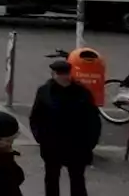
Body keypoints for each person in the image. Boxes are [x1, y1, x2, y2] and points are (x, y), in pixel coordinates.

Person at [29, 59, 100, 196]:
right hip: (52, 143)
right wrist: (40, 137)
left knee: (77, 179)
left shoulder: (82, 93)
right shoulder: (44, 92)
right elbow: (36, 117)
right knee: (51, 178)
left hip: (76, 144)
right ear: (53, 74)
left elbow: (93, 120)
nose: (62, 77)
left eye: (65, 73)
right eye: (59, 73)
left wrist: (90, 143)